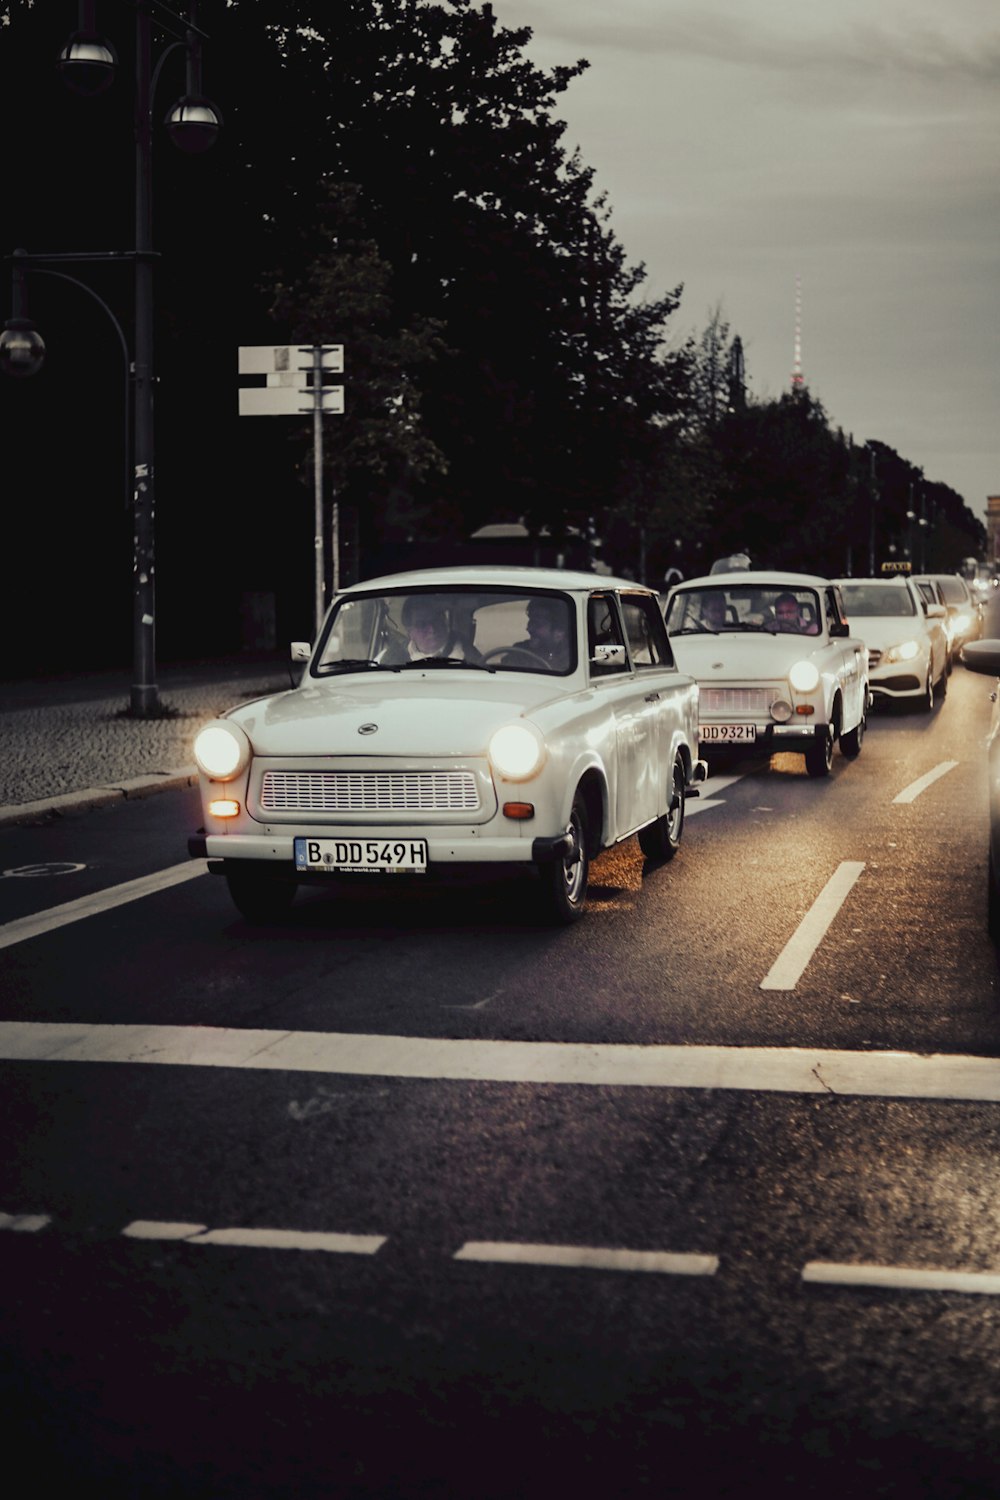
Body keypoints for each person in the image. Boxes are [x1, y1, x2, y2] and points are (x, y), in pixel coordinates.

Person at [399, 597, 482, 662]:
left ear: (444, 620)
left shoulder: (469, 654)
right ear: (409, 632)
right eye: (422, 625)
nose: (432, 629)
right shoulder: (395, 657)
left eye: (436, 620)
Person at [512, 597, 571, 669]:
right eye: (530, 622)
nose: (529, 629)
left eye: (537, 624)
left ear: (560, 632)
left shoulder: (573, 658)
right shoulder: (520, 651)